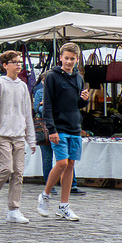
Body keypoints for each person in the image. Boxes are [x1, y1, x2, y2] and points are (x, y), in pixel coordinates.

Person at [0, 51, 35, 223]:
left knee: (18, 173)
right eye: (14, 62)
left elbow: (27, 113)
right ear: (5, 65)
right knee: (6, 169)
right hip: (2, 135)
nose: (18, 65)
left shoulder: (23, 86)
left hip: (18, 134)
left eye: (20, 62)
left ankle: (13, 209)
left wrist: (31, 138)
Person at [38, 43, 88, 221]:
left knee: (71, 165)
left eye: (72, 59)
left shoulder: (78, 78)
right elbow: (47, 105)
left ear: (77, 60)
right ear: (60, 58)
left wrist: (84, 101)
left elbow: (76, 104)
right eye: (66, 58)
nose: (69, 61)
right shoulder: (52, 76)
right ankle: (45, 195)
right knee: (61, 163)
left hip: (74, 126)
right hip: (59, 127)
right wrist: (51, 129)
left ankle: (64, 206)